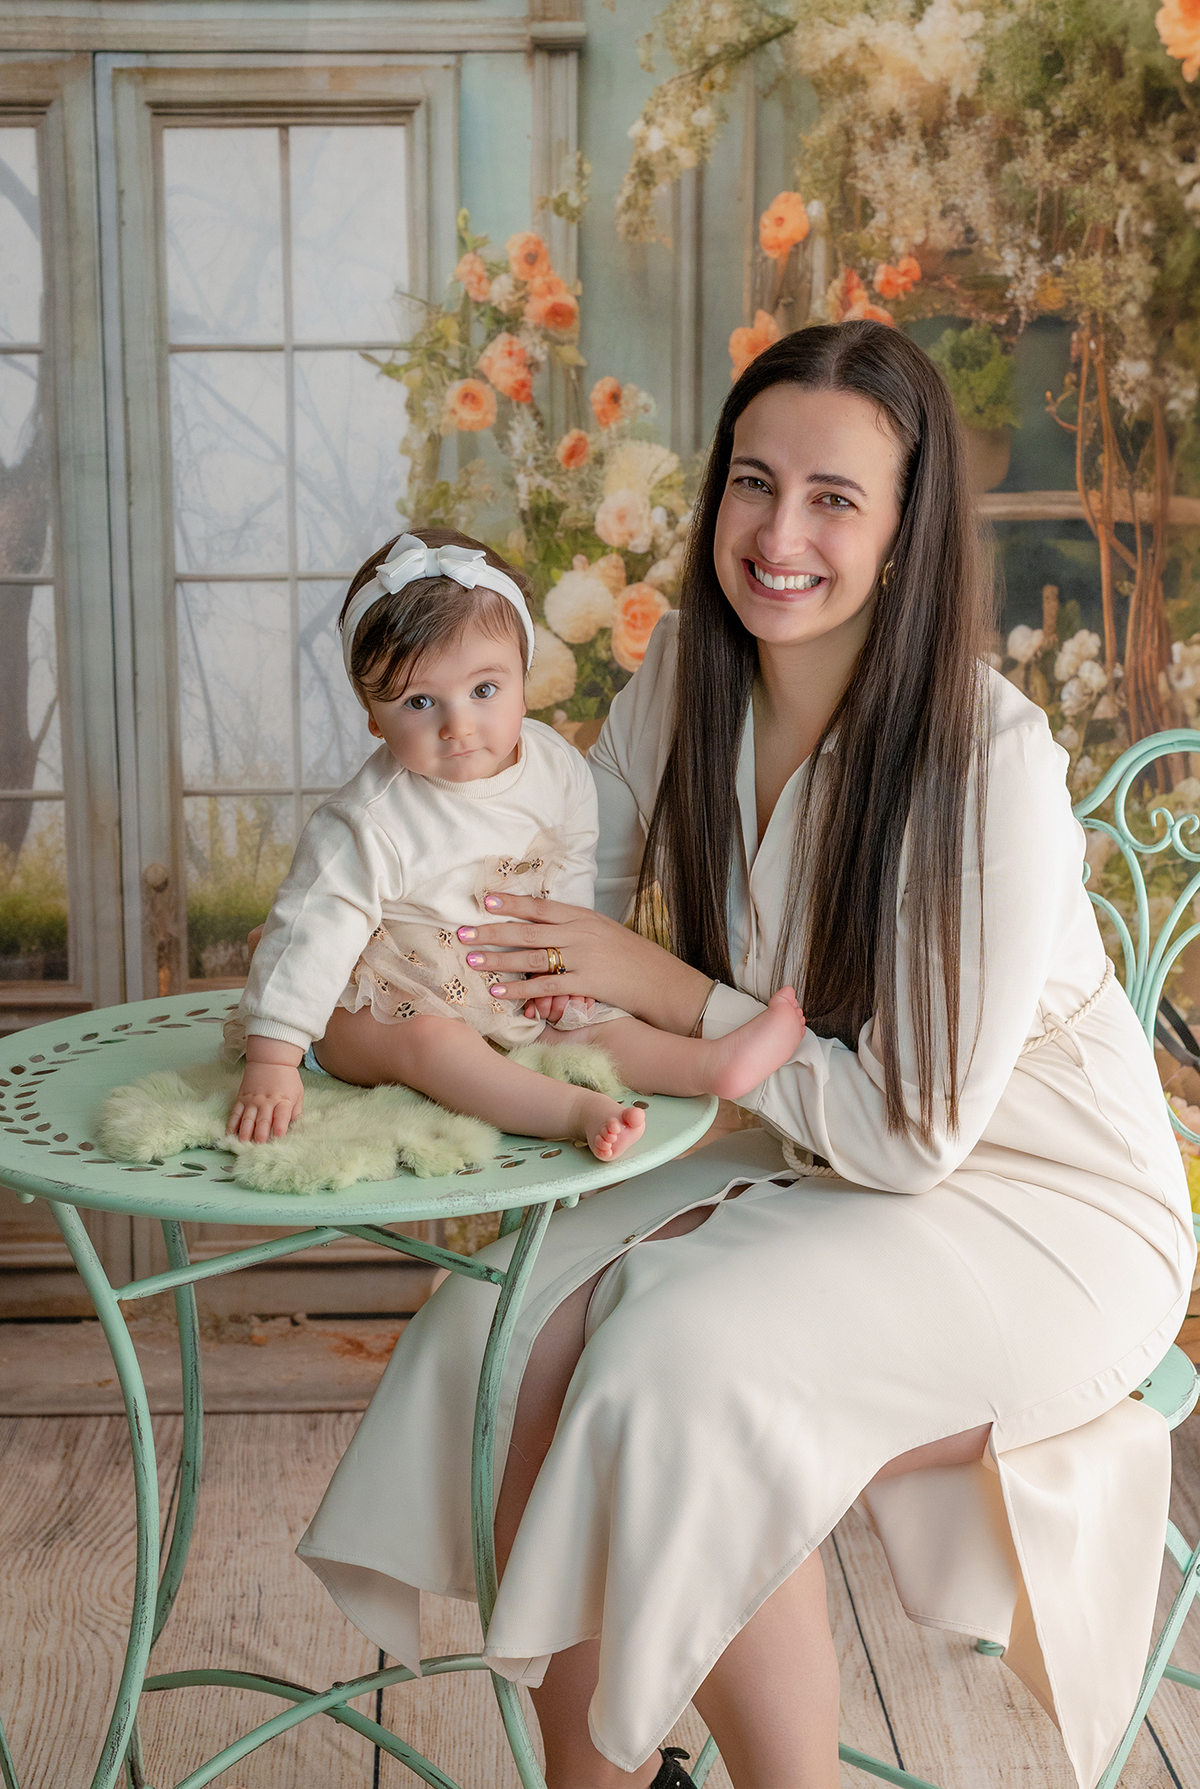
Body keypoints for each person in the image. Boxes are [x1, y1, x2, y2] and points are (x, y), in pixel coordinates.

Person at [296, 325, 1195, 1789]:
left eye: (835, 498)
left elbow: (915, 1138)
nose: (780, 536)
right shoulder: (689, 685)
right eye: (754, 484)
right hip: (797, 1141)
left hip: (1040, 1202)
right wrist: (387, 997)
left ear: (906, 533)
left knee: (688, 1379)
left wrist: (687, 1005)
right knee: (494, 1334)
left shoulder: (988, 760)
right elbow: (544, 924)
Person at [224, 527, 804, 1163]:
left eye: (483, 690)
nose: (458, 726)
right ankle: (572, 1111)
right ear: (372, 715)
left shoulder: (553, 767)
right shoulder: (369, 820)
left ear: (523, 675)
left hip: (500, 982)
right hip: (380, 1001)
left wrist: (561, 966)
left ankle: (709, 1066)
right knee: (437, 1047)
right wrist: (273, 1057)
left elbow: (572, 860)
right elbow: (311, 930)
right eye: (420, 701)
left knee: (587, 1022)